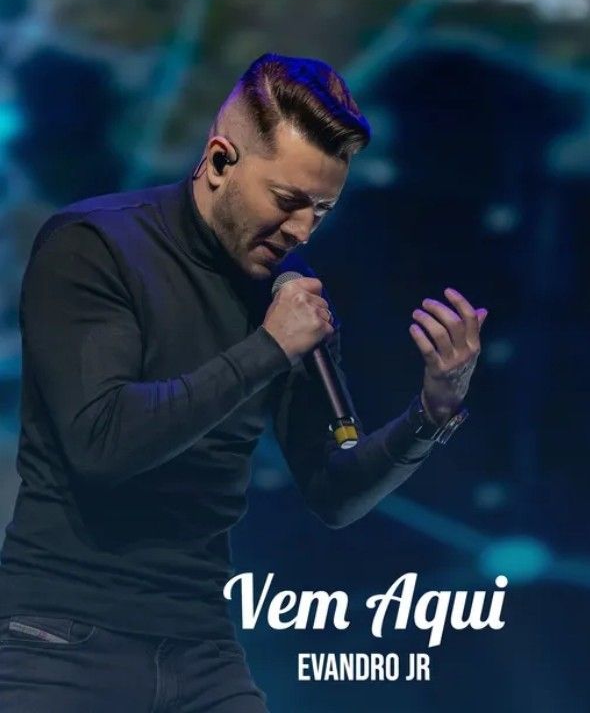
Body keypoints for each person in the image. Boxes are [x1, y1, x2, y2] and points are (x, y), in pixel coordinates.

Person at [0, 53, 487, 712]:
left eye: (321, 210)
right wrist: (267, 348)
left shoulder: (286, 297)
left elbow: (333, 491)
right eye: (287, 201)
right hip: (62, 639)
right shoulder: (94, 245)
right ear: (219, 161)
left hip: (202, 646)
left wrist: (431, 413)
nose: (301, 230)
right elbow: (103, 444)